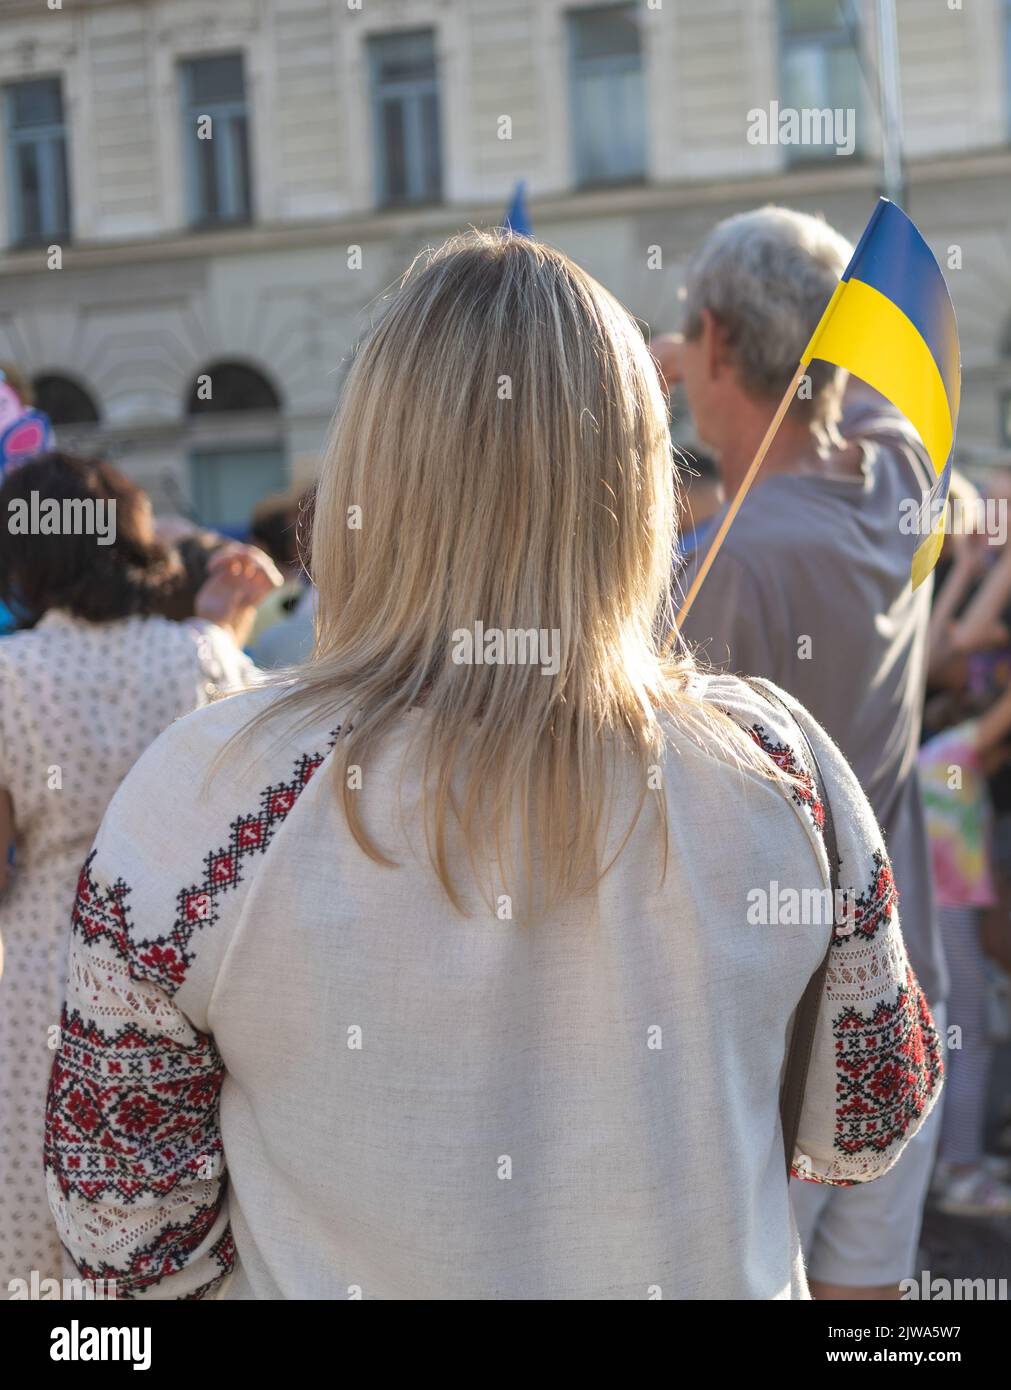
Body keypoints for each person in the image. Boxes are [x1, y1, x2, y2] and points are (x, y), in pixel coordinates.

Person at [43, 231, 940, 1300]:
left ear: (370, 475)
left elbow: (118, 1241)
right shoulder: (780, 771)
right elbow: (868, 1122)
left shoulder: (199, 796)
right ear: (637, 487)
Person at [661, 206, 948, 1301]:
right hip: (904, 995)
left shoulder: (721, 571)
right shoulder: (898, 477)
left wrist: (638, 397)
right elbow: (883, 378)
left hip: (767, 1041)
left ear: (719, 342)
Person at [0, 452, 278, 1293]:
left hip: (44, 991)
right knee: (174, 1239)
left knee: (38, 1241)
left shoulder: (9, 678)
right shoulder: (202, 661)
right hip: (185, 980)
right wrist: (221, 629)